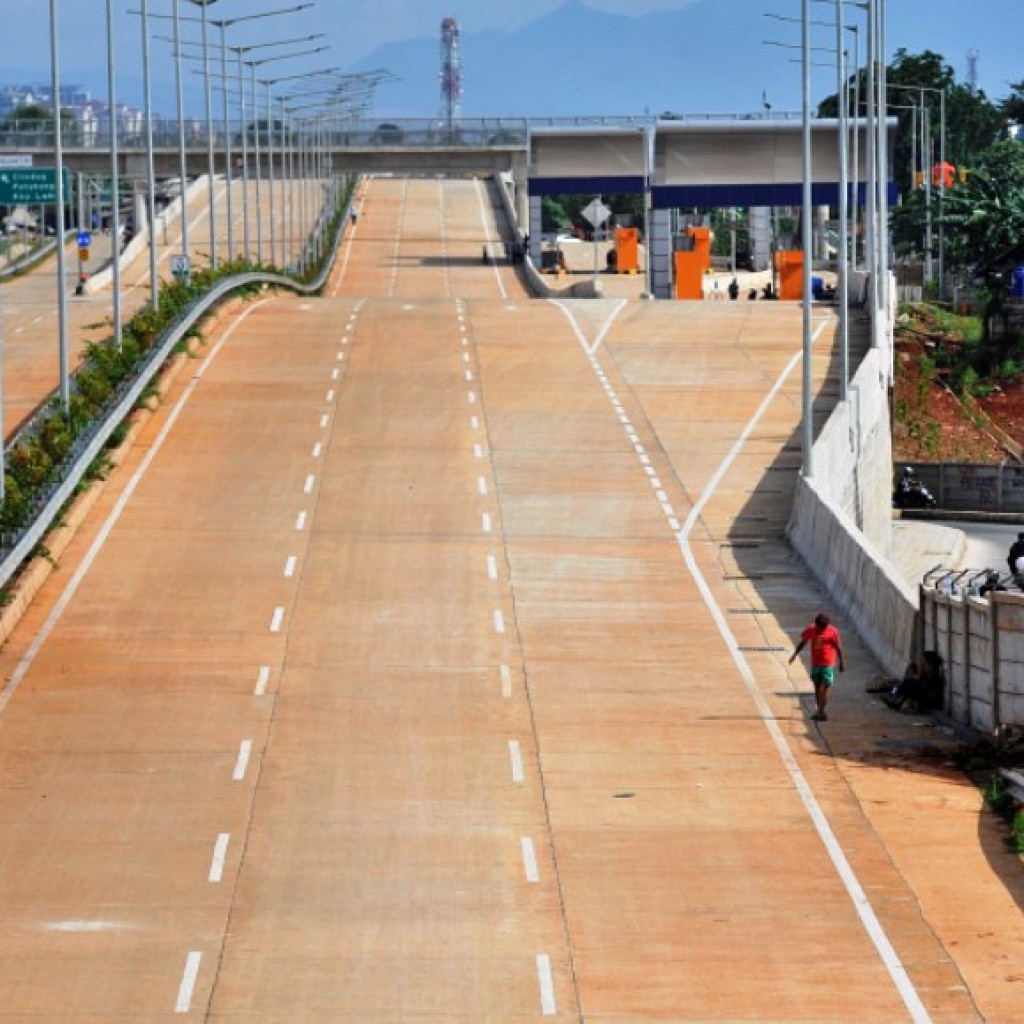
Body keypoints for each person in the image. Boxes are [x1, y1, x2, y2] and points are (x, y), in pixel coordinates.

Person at [789, 611, 845, 722]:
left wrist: (841, 662)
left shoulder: (833, 632)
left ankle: (822, 711)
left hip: (827, 664)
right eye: (818, 629)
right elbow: (803, 642)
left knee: (823, 689)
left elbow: (838, 647)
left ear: (826, 626)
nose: (819, 631)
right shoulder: (811, 629)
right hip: (815, 663)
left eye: (822, 629)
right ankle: (819, 711)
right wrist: (795, 654)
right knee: (816, 687)